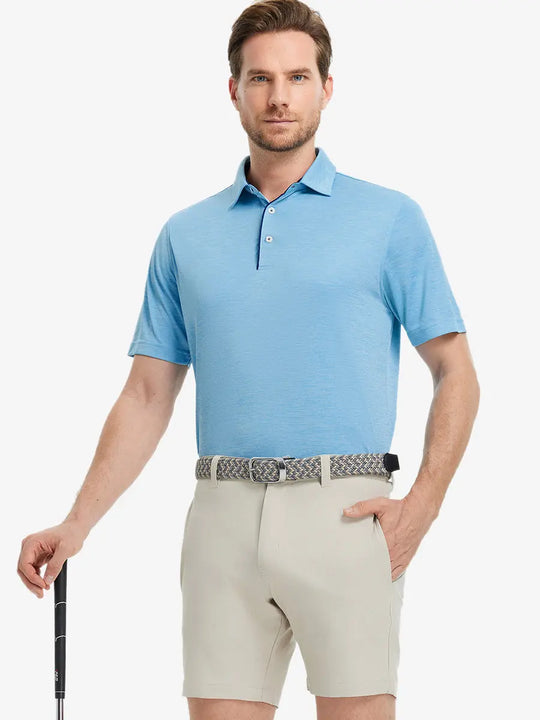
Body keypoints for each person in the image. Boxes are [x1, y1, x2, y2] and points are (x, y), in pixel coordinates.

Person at [17, 1, 480, 718]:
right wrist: (77, 523)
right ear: (233, 90)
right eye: (261, 78)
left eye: (298, 77)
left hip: (345, 512)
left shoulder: (389, 219)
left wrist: (423, 504)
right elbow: (146, 395)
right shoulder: (185, 236)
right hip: (222, 518)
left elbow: (456, 372)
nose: (279, 96)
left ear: (328, 88)